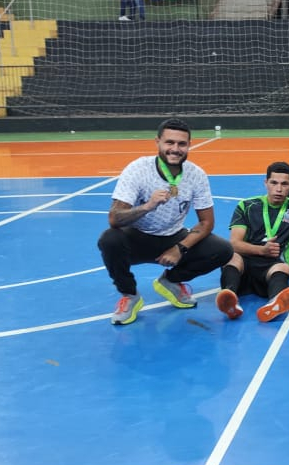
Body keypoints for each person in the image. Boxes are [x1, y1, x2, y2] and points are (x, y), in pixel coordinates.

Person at [98, 118, 233, 325]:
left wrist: (179, 248)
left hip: (173, 236)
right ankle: (130, 295)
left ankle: (170, 281)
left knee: (223, 250)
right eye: (169, 142)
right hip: (137, 239)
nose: (175, 149)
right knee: (109, 240)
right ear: (158, 142)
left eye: (181, 144)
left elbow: (206, 222)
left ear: (189, 145)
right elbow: (114, 218)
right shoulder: (138, 169)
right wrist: (147, 206)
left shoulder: (196, 175)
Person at [215, 162, 289, 322]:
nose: (278, 189)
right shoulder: (247, 206)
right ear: (266, 183)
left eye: (284, 184)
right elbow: (234, 243)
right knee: (231, 256)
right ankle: (230, 298)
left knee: (284, 267)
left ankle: (274, 303)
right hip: (245, 266)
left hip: (272, 268)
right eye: (274, 183)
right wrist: (261, 250)